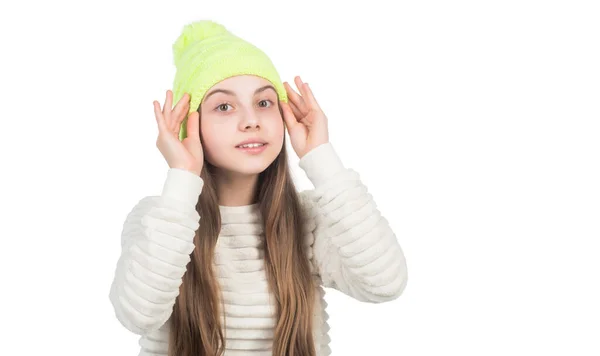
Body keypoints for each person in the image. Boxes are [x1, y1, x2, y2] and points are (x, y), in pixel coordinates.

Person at [108, 19, 408, 356]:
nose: (251, 120)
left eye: (264, 103)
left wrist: (320, 157)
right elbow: (138, 315)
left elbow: (385, 285)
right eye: (224, 106)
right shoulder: (160, 217)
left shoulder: (308, 219)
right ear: (188, 126)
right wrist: (182, 177)